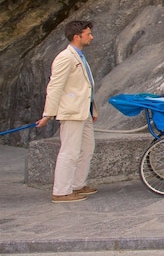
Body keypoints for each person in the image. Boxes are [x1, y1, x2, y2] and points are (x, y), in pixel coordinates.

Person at [36, 21, 99, 203]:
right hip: (72, 111)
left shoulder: (79, 56)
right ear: (76, 36)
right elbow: (55, 86)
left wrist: (92, 108)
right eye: (87, 34)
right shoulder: (65, 57)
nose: (91, 37)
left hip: (83, 110)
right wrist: (48, 113)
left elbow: (85, 85)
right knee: (69, 151)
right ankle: (61, 191)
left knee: (87, 148)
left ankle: (77, 184)